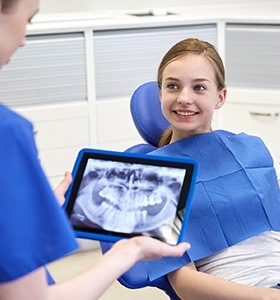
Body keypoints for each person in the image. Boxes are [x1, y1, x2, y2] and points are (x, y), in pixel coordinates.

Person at [0, 1, 191, 299]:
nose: (24, 38)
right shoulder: (8, 132)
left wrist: (27, 213)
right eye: (28, 19)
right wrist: (130, 250)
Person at [141, 37, 280, 299]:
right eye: (173, 86)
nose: (184, 98)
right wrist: (266, 296)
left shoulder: (252, 150)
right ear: (160, 93)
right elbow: (183, 282)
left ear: (220, 97)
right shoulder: (152, 178)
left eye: (199, 88)